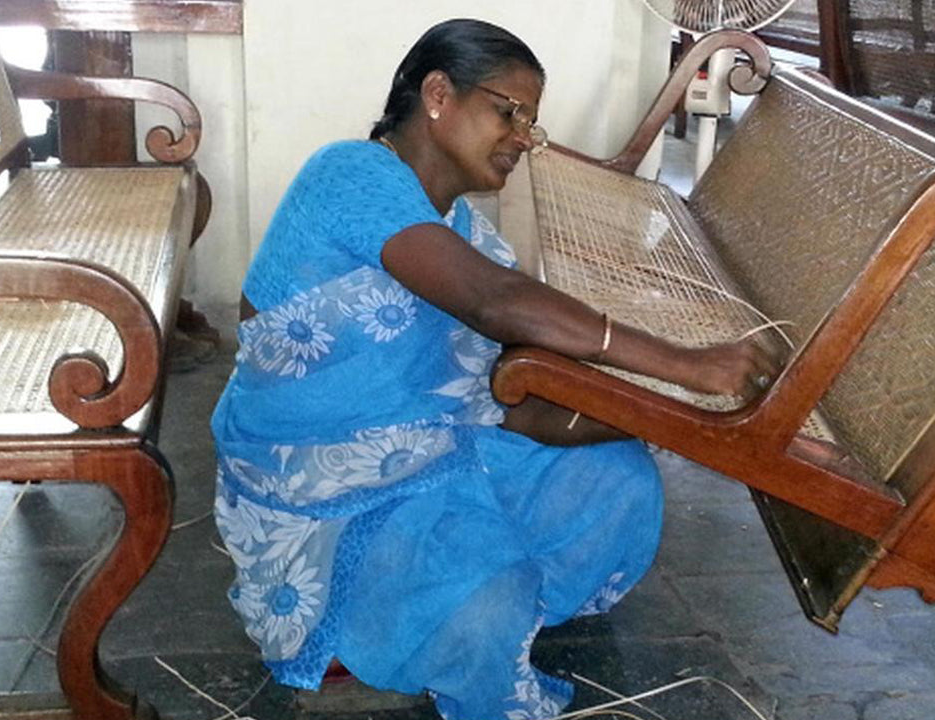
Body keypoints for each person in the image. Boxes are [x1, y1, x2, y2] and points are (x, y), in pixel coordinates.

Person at [212, 18, 775, 720]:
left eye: (531, 121)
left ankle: (434, 607)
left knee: (618, 483)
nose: (523, 137)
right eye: (509, 112)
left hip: (434, 449)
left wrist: (671, 417)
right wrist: (688, 365)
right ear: (437, 94)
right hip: (322, 483)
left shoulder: (463, 230)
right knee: (485, 602)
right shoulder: (349, 174)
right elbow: (497, 303)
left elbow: (511, 396)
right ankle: (355, 627)